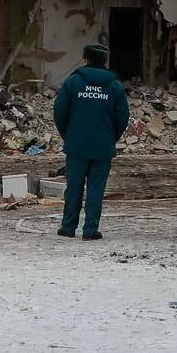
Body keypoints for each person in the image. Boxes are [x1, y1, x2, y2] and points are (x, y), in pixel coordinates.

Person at [53, 43, 129, 241]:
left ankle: (68, 227)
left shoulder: (73, 82)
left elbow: (59, 111)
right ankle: (90, 230)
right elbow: (123, 117)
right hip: (103, 146)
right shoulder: (114, 85)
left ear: (85, 59)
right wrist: (112, 137)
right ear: (104, 61)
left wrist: (67, 134)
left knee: (74, 188)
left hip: (77, 144)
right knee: (96, 189)